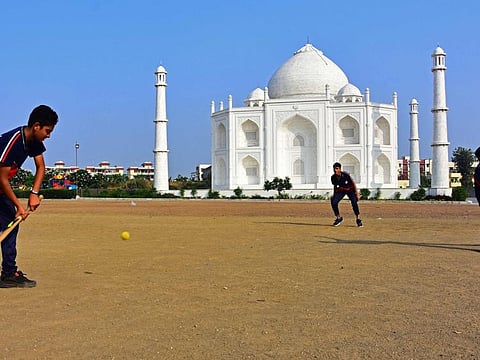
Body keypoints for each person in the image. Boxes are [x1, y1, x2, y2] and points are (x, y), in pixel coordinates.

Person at [0, 105, 58, 288]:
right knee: (11, 217)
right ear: (36, 126)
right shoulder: (14, 141)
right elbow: (1, 178)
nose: (49, 135)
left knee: (10, 223)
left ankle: (9, 273)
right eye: (47, 131)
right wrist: (19, 205)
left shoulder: (33, 142)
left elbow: (41, 166)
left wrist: (33, 193)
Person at [330, 162, 363, 227]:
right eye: (334, 169)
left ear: (340, 169)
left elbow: (353, 183)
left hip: (350, 190)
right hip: (341, 190)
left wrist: (357, 194)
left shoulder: (345, 175)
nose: (335, 170)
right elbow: (335, 186)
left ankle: (358, 219)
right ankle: (338, 218)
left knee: (354, 202)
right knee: (333, 202)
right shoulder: (333, 177)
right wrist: (334, 195)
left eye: (337, 168)